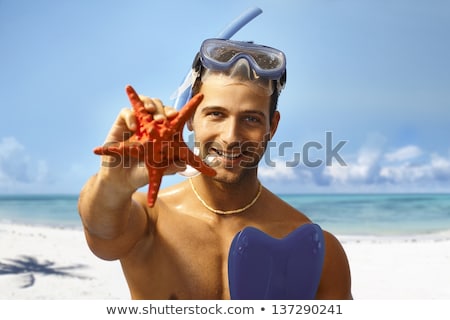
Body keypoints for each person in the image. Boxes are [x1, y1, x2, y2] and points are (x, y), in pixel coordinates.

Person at [78, 38, 352, 299]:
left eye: (251, 119)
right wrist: (112, 184)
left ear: (272, 126)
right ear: (189, 117)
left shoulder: (314, 249)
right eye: (216, 114)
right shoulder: (150, 222)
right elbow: (103, 236)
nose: (231, 136)